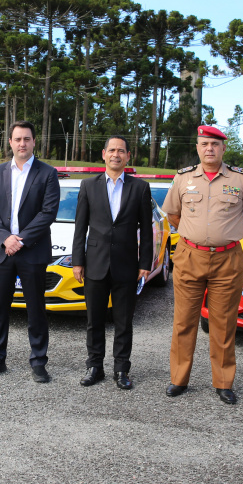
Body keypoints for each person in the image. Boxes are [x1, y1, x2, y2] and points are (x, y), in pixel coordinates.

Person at [161, 125, 243, 404]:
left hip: (227, 259)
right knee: (184, 322)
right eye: (205, 144)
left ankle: (223, 382)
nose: (210, 149)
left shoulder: (242, 179)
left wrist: (226, 238)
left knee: (223, 323)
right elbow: (173, 215)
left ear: (223, 148)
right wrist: (196, 237)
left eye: (215, 145)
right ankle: (179, 379)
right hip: (189, 257)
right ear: (197, 147)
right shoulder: (182, 179)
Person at [0, 121, 61, 383]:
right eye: (17, 139)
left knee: (35, 308)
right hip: (3, 251)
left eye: (27, 139)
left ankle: (38, 361)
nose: (22, 143)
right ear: (11, 142)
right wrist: (6, 239)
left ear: (34, 141)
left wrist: (21, 240)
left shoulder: (47, 173)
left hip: (32, 251)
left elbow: (48, 213)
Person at [71, 136, 153, 390]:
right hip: (94, 263)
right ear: (104, 154)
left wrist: (145, 263)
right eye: (112, 150)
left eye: (121, 151)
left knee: (123, 320)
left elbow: (147, 231)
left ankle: (121, 369)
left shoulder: (140, 188)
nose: (116, 154)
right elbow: (80, 226)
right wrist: (77, 261)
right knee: (94, 320)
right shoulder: (88, 185)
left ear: (128, 156)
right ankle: (94, 366)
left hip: (127, 264)